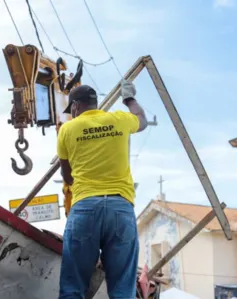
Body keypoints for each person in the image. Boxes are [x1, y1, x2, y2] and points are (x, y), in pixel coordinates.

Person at [57, 80, 148, 299]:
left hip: (85, 208)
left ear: (76, 106)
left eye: (72, 110)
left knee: (72, 288)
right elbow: (142, 121)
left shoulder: (67, 129)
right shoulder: (119, 119)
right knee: (122, 290)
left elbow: (66, 175)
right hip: (120, 209)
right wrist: (129, 99)